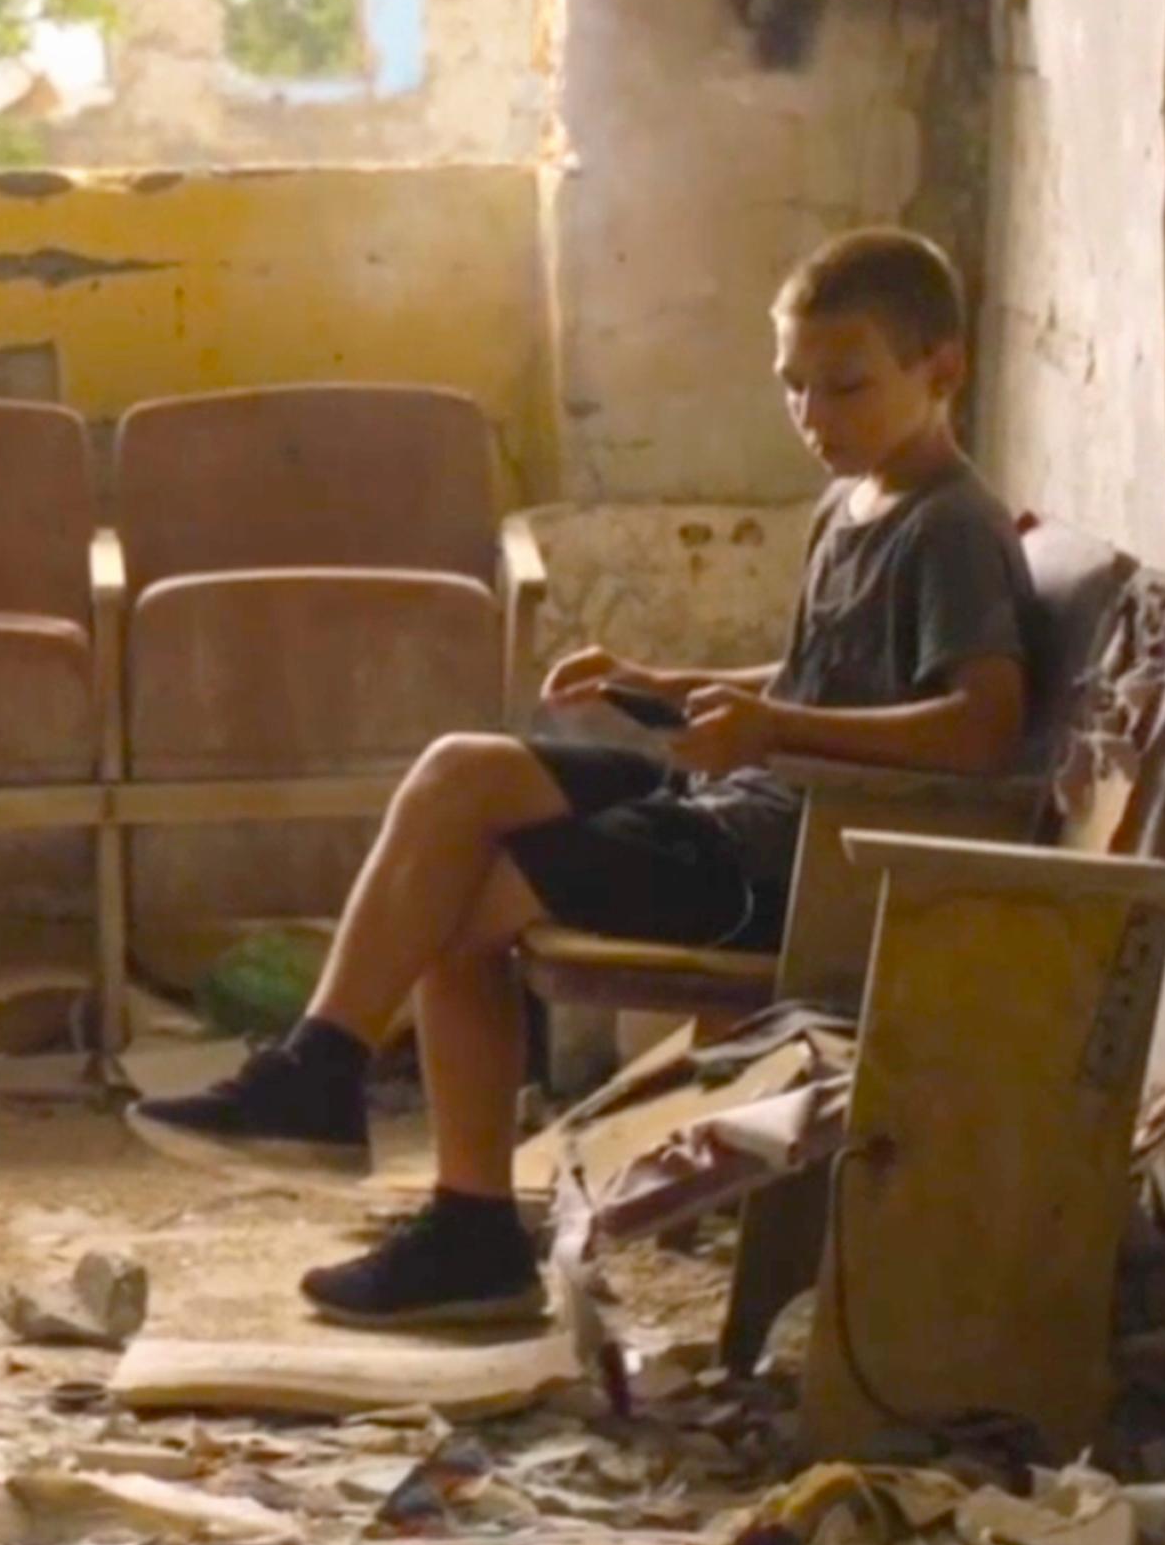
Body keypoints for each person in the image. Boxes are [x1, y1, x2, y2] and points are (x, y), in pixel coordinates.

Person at [126, 228, 1037, 1330]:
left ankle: (462, 1226)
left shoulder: (951, 530)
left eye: (845, 387)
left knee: (465, 894)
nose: (813, 418)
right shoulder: (851, 508)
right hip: (737, 812)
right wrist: (672, 682)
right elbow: (815, 681)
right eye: (793, 388)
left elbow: (984, 728)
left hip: (793, 868)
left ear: (944, 370)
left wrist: (770, 728)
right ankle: (319, 1067)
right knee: (463, 771)